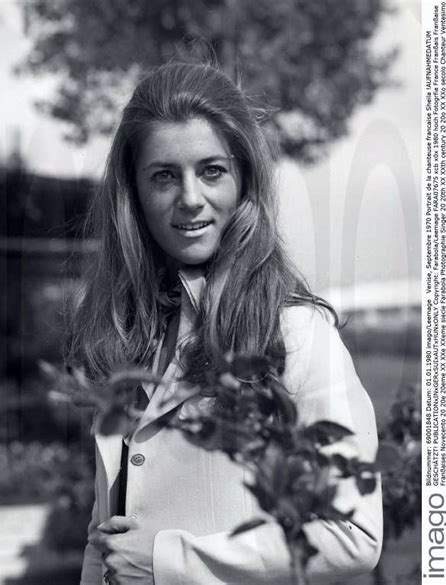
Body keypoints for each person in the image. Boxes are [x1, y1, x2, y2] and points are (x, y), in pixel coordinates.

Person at [68, 60, 383, 585]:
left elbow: (354, 534)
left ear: (244, 181)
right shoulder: (126, 336)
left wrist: (171, 563)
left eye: (211, 170)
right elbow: (107, 535)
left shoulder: (297, 333)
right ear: (134, 194)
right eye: (164, 175)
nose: (190, 198)